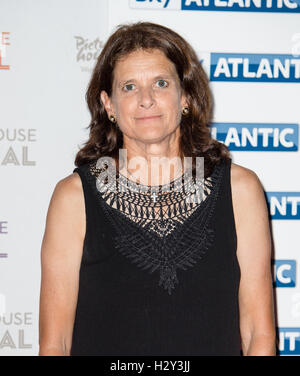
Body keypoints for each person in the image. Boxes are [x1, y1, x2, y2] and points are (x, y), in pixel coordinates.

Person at [38, 22, 276, 356]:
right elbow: (55, 343)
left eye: (161, 83)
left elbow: (258, 335)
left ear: (186, 96)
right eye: (129, 87)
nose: (146, 99)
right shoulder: (74, 198)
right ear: (108, 104)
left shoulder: (240, 190)